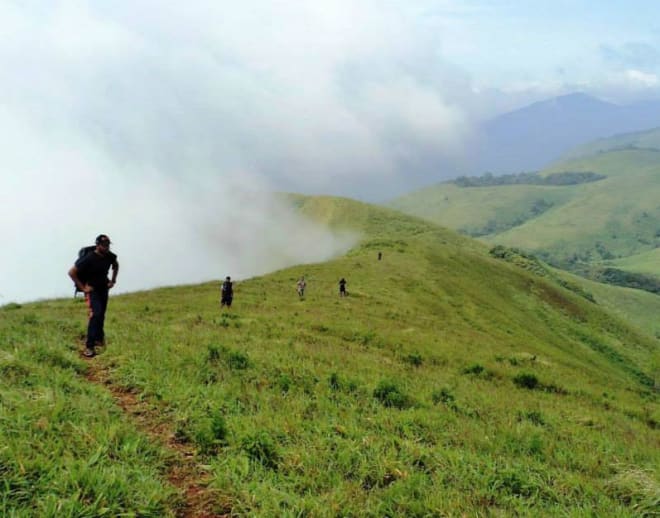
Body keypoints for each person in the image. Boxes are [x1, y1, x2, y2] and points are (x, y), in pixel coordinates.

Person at [68, 234, 118, 358]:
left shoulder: (109, 256)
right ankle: (89, 347)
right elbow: (71, 272)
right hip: (92, 290)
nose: (106, 247)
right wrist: (83, 287)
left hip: (103, 289)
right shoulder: (89, 258)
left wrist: (113, 281)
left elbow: (116, 265)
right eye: (104, 245)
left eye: (108, 245)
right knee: (95, 315)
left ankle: (99, 340)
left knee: (101, 315)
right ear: (98, 245)